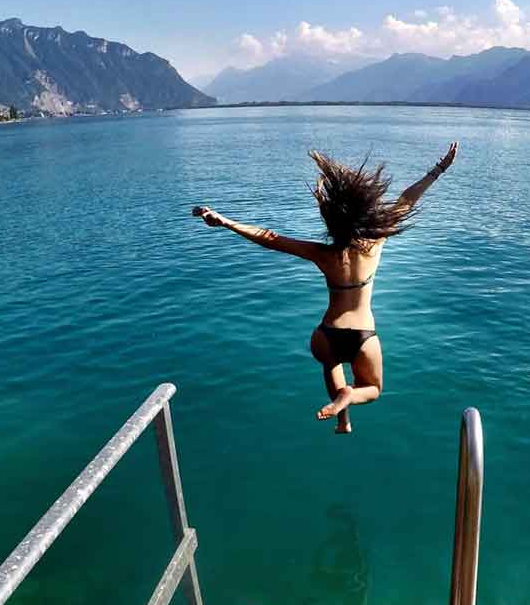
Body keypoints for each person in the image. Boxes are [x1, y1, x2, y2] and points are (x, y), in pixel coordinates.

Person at [193, 142, 458, 433]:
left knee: (330, 364)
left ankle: (343, 420)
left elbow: (269, 237)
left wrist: (226, 221)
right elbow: (408, 199)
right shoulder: (375, 242)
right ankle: (348, 398)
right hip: (363, 335)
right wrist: (439, 169)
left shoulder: (324, 254)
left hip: (326, 335)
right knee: (371, 388)